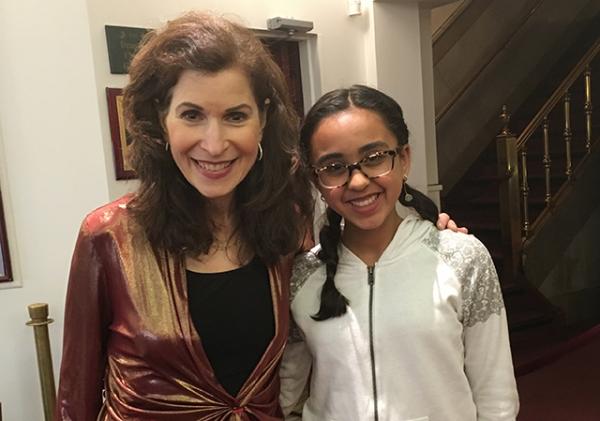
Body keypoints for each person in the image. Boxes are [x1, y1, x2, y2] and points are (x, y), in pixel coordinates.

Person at [55, 11, 463, 421]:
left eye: (235, 115)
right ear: (162, 120)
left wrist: (431, 241)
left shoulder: (285, 226)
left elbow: (352, 294)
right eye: (192, 114)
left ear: (262, 120)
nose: (214, 145)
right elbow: (75, 400)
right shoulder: (109, 237)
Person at [279, 85, 519, 421]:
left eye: (374, 158)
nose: (359, 181)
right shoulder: (303, 276)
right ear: (317, 181)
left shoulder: (462, 259)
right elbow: (285, 391)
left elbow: (496, 397)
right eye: (334, 166)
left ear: (403, 159)